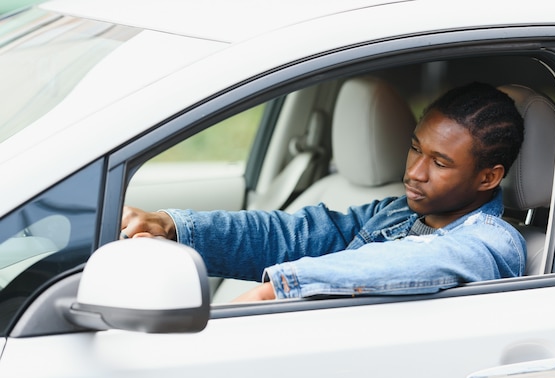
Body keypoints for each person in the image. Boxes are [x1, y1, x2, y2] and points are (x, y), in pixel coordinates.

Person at [121, 82, 526, 302]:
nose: (415, 172)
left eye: (439, 163)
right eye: (415, 148)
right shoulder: (397, 213)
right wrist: (171, 225)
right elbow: (293, 235)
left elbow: (420, 259)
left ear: (488, 178)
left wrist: (277, 288)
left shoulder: (491, 242)